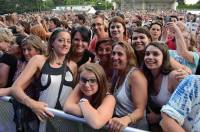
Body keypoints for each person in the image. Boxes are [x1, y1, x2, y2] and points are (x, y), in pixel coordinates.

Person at [5, 29, 77, 132]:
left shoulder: (73, 66)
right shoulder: (39, 60)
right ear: (52, 42)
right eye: (61, 40)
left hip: (65, 119)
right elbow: (16, 88)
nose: (65, 44)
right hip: (44, 117)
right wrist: (32, 104)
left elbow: (74, 94)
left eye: (68, 41)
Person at [143, 41, 183, 131]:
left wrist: (158, 118)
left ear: (164, 58)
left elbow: (184, 111)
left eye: (155, 54)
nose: (150, 57)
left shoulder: (173, 77)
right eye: (147, 54)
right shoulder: (145, 76)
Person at [109, 41, 148, 131]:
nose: (115, 57)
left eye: (120, 54)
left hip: (134, 129)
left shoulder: (136, 76)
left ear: (128, 57)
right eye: (113, 53)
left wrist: (125, 119)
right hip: (120, 128)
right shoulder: (117, 72)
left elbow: (140, 111)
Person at [64, 63, 115, 129]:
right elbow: (67, 107)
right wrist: (93, 115)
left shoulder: (109, 98)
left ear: (100, 81)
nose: (87, 85)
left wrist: (83, 102)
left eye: (92, 81)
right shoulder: (80, 86)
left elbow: (96, 123)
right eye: (83, 80)